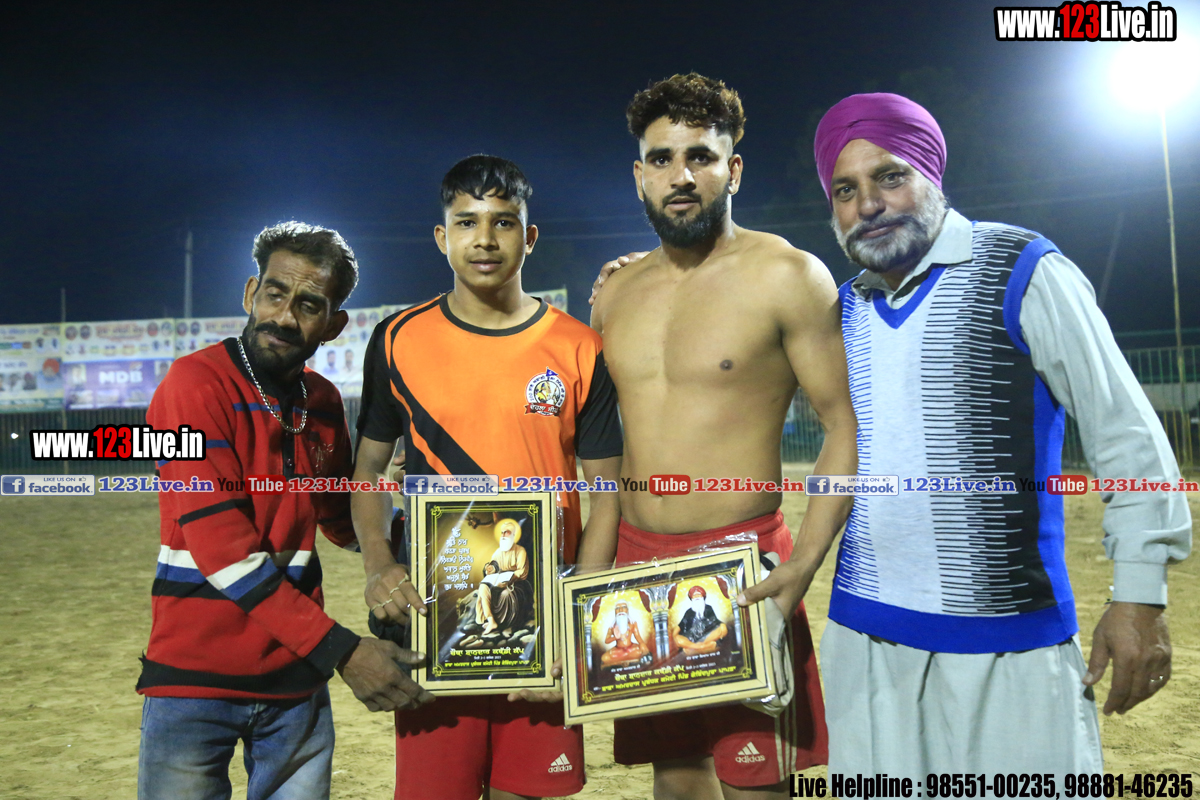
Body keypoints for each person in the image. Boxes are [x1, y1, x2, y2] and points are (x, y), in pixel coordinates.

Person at [738, 93, 1193, 777]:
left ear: (931, 173)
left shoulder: (1024, 268)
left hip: (1013, 646)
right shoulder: (843, 310)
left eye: (890, 176)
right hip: (865, 646)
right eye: (845, 190)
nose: (868, 204)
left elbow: (1125, 434)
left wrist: (1139, 595)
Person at [588, 73, 858, 800]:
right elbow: (594, 443)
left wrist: (802, 565)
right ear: (640, 176)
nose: (681, 176)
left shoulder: (789, 275)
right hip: (637, 569)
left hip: (744, 568)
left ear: (732, 169)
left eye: (701, 157)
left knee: (756, 784)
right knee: (676, 781)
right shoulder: (614, 293)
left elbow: (844, 426)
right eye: (662, 159)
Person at [350, 155, 623, 800]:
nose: (484, 239)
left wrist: (577, 614)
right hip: (436, 624)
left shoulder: (580, 347)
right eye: (466, 222)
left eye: (503, 222)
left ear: (530, 237)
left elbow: (606, 495)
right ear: (441, 237)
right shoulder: (395, 339)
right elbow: (367, 472)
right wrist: (379, 564)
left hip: (543, 632)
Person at [136, 221, 432, 800]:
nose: (285, 317)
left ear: (334, 324)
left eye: (309, 304)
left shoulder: (320, 402)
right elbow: (222, 552)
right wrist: (344, 652)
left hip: (296, 684)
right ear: (252, 293)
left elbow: (341, 516)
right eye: (275, 294)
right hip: (194, 684)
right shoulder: (193, 385)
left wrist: (416, 545)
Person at [475, 517, 532, 635]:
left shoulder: (520, 551)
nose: (503, 535)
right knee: (483, 587)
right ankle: (491, 620)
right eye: (502, 532)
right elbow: (494, 566)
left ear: (513, 535)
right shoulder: (498, 552)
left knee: (506, 594)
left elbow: (522, 571)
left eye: (507, 532)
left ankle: (507, 623)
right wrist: (489, 569)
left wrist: (509, 580)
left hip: (517, 584)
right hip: (499, 581)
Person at [673, 586, 727, 656]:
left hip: (707, 637)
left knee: (722, 628)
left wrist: (723, 626)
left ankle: (695, 649)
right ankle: (702, 647)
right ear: (691, 599)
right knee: (678, 639)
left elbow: (716, 622)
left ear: (703, 597)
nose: (696, 597)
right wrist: (675, 635)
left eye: (698, 595)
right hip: (692, 639)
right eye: (694, 596)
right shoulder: (689, 612)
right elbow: (680, 626)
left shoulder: (708, 608)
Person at [602, 601, 651, 666]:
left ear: (627, 610)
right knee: (605, 657)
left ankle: (620, 661)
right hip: (618, 650)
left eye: (623, 607)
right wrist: (616, 637)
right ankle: (629, 659)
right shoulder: (612, 627)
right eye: (618, 608)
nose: (620, 610)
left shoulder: (632, 623)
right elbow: (607, 640)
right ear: (615, 611)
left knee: (641, 650)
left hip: (631, 648)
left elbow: (637, 636)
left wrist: (642, 644)